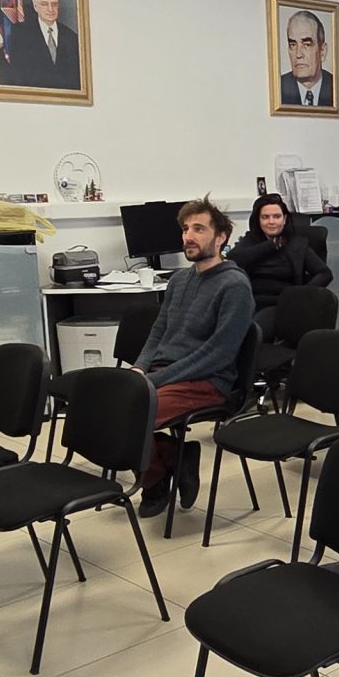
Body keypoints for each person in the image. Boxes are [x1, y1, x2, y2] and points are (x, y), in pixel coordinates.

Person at [131, 198, 255, 517]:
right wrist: (139, 369)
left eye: (199, 229)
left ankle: (154, 481)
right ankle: (175, 456)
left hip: (208, 381)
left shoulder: (234, 286)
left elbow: (218, 355)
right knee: (112, 400)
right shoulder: (179, 280)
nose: (188, 236)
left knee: (133, 411)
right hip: (168, 372)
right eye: (186, 229)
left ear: (221, 237)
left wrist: (155, 379)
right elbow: (158, 331)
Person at [228, 193, 332, 315]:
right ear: (258, 220)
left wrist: (301, 294)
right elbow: (232, 260)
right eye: (265, 217)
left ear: (285, 219)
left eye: (277, 216)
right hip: (252, 304)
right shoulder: (250, 241)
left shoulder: (297, 244)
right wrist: (270, 246)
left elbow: (325, 274)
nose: (271, 222)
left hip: (286, 305)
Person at [1, 0, 82, 90]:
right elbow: (18, 75)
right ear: (35, 6)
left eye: (54, 4)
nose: (50, 9)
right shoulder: (21, 34)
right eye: (44, 4)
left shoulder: (72, 37)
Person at [278, 9, 334, 108]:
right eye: (293, 45)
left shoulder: (336, 87)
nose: (298, 54)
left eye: (307, 45)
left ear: (322, 51)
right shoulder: (278, 87)